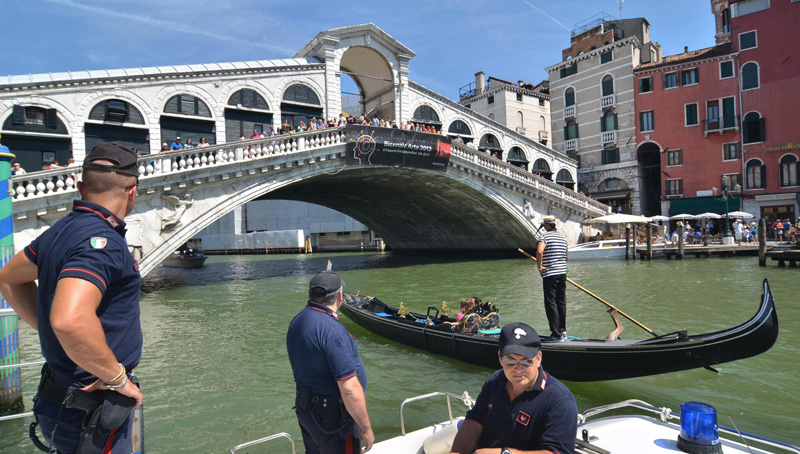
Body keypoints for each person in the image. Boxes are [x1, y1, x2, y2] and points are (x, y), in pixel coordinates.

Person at [0, 142, 143, 453]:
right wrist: (118, 378)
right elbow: (69, 320)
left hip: (58, 394)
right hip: (93, 404)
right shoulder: (102, 241)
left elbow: (9, 278)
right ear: (132, 191)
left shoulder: (60, 230)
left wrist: (53, 333)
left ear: (80, 187)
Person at [450, 322, 577, 454]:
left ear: (538, 358)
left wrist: (505, 453)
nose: (518, 368)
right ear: (500, 358)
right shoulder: (495, 381)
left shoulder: (560, 401)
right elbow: (475, 420)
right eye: (510, 361)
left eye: (526, 361)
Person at [287, 271, 374, 453]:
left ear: (310, 294)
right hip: (333, 420)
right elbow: (350, 389)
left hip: (307, 409)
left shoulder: (297, 321)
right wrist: (365, 427)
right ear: (340, 296)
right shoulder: (334, 332)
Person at [536, 215, 569, 341]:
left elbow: (539, 251)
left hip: (550, 273)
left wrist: (540, 267)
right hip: (562, 273)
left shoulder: (544, 236)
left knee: (550, 302)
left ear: (547, 226)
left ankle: (556, 334)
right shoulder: (563, 238)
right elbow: (567, 257)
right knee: (561, 302)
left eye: (544, 226)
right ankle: (563, 331)